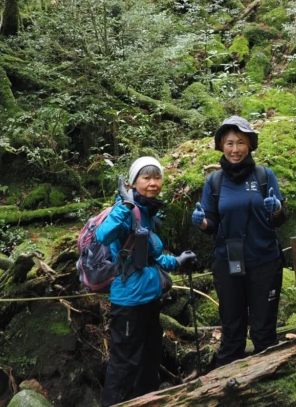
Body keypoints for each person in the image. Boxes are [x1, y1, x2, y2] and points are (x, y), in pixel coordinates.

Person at [97, 155, 197, 406]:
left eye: (157, 177)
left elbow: (150, 257)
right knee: (125, 363)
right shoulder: (127, 209)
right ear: (133, 183)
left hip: (150, 298)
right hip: (128, 302)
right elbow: (103, 235)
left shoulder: (149, 213)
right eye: (146, 177)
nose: (153, 183)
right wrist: (125, 206)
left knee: (150, 357)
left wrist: (177, 261)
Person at [191, 116, 286, 367]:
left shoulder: (264, 176)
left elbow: (279, 219)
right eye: (229, 143)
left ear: (250, 145)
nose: (235, 149)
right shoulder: (214, 181)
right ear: (221, 145)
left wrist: (275, 208)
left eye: (241, 142)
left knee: (264, 330)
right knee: (232, 330)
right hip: (228, 262)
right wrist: (201, 222)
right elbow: (211, 223)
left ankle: (269, 380)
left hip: (264, 261)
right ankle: (226, 386)